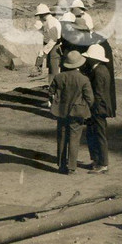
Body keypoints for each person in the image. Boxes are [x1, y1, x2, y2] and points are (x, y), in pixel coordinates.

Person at [49, 50, 94, 175]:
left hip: (61, 112)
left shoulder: (59, 77)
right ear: (79, 64)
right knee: (74, 139)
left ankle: (61, 165)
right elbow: (90, 99)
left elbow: (51, 92)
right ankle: (72, 167)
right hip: (77, 112)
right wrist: (83, 106)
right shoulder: (84, 79)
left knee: (62, 138)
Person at [83, 44, 115, 174]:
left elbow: (98, 94)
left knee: (99, 135)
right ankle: (98, 161)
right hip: (101, 108)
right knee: (97, 134)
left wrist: (91, 108)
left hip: (98, 109)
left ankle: (102, 163)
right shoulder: (102, 69)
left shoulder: (97, 72)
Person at [34, 4, 62, 86]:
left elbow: (54, 39)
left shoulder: (51, 22)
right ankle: (52, 88)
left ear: (42, 14)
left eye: (39, 16)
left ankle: (54, 91)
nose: (39, 17)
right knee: (51, 69)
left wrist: (44, 51)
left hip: (54, 48)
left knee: (54, 71)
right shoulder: (49, 22)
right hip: (51, 47)